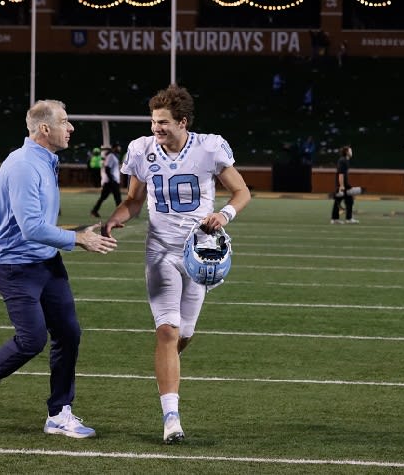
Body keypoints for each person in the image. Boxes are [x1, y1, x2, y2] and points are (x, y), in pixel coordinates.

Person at [102, 84, 251, 444]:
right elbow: (134, 201)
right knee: (167, 331)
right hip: (160, 251)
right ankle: (172, 419)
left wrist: (225, 215)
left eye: (164, 122)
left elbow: (242, 191)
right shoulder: (141, 150)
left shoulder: (208, 147)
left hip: (198, 251)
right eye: (154, 121)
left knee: (182, 335)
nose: (156, 128)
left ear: (182, 122)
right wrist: (115, 218)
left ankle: (165, 366)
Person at [0, 99, 118, 438]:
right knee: (32, 338)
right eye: (65, 121)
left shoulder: (46, 160)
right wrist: (78, 239)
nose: (71, 127)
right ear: (45, 129)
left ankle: (59, 413)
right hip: (14, 265)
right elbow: (31, 226)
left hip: (45, 261)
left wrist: (78, 235)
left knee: (68, 333)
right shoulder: (22, 164)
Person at [90, 144, 122, 218]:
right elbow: (107, 169)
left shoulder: (113, 156)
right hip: (111, 182)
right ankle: (120, 214)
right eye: (118, 147)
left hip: (111, 181)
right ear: (114, 148)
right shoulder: (111, 156)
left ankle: (94, 211)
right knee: (117, 198)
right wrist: (112, 180)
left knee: (104, 197)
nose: (119, 148)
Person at [331, 145, 358, 224]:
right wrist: (342, 186)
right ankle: (335, 219)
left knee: (349, 200)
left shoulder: (345, 160)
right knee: (338, 201)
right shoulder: (342, 160)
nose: (351, 152)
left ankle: (348, 218)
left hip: (344, 184)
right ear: (346, 152)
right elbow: (340, 174)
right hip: (341, 185)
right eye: (350, 150)